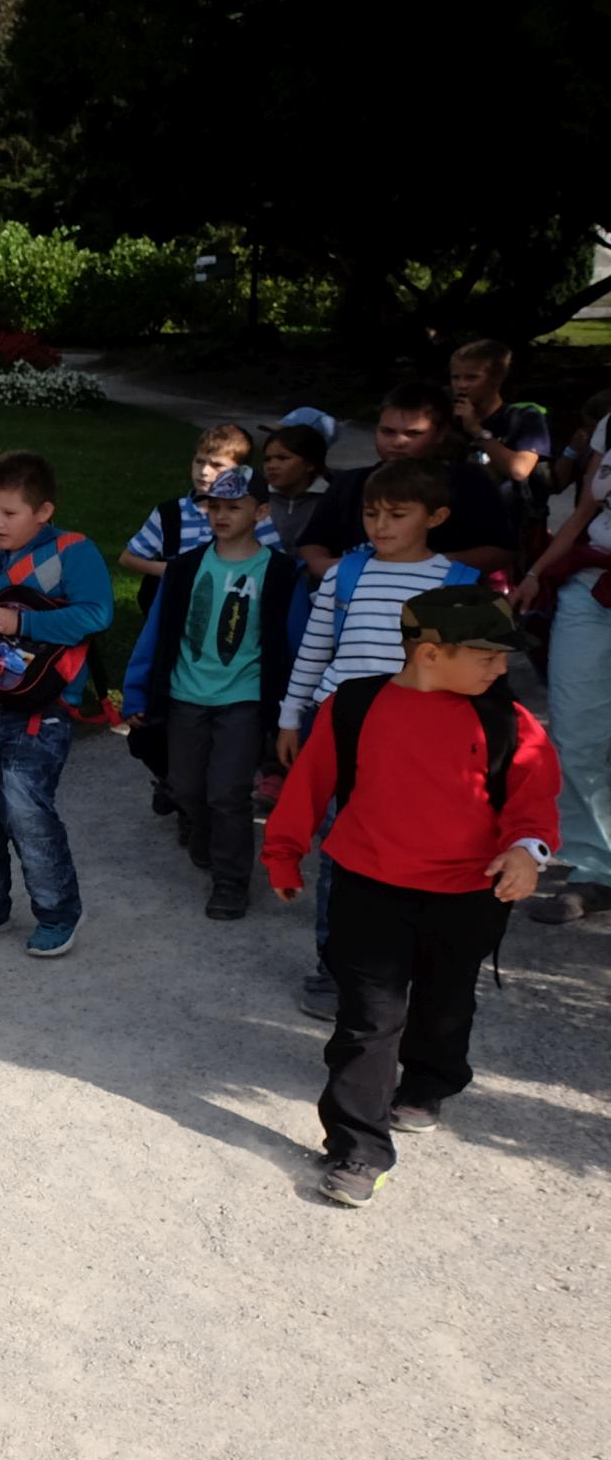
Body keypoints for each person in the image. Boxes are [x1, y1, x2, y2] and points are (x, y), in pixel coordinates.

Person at [262, 590, 556, 1207]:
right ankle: (358, 1149)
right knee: (368, 1018)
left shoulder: (506, 719)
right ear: (429, 653)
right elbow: (310, 782)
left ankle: (429, 1081)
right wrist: (282, 852)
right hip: (368, 889)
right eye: (487, 656)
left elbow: (533, 798)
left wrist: (527, 852)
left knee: (446, 1000)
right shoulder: (356, 705)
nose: (502, 668)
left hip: (469, 895)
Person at [278, 460, 485, 1017]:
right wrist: (290, 717)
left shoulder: (457, 584)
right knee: (340, 849)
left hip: (418, 742)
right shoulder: (344, 575)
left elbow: (471, 672)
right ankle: (334, 968)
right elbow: (314, 651)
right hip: (342, 729)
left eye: (397, 515)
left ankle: (397, 963)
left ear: (435, 517)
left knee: (408, 847)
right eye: (372, 514)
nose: (381, 526)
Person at [0, 449, 114, 957]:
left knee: (25, 806)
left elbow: (97, 614)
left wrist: (23, 622)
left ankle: (57, 912)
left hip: (43, 710)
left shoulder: (73, 552)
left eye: (10, 512)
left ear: (44, 511)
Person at [123, 466, 302, 918]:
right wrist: (137, 691)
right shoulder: (184, 568)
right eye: (214, 507)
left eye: (234, 507)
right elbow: (156, 633)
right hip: (186, 694)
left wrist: (295, 707)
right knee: (186, 786)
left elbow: (297, 641)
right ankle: (204, 833)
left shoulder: (282, 573)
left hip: (244, 699)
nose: (221, 515)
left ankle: (230, 881)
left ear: (261, 512)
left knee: (228, 792)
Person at [517, 410, 611, 923]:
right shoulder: (609, 425)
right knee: (576, 734)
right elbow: (583, 512)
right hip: (592, 587)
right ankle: (594, 867)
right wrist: (537, 572)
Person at [294, 385, 516, 577]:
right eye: (388, 432)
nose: (398, 442)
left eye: (413, 434)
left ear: (441, 434)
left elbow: (500, 550)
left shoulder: (469, 483)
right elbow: (313, 542)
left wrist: (418, 566)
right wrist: (329, 568)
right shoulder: (349, 482)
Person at [119, 423, 278, 625]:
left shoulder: (252, 516)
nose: (203, 471)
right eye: (199, 461)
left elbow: (276, 565)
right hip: (174, 612)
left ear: (240, 472)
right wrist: (173, 571)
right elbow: (128, 558)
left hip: (233, 613)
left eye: (217, 465)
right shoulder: (169, 514)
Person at [450, 338, 550, 495]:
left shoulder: (524, 417)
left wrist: (476, 430)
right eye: (456, 377)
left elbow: (519, 470)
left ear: (497, 379)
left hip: (510, 508)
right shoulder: (449, 419)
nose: (461, 385)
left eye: (472, 378)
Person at [258, 423, 335, 553]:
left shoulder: (332, 499)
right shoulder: (256, 498)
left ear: (310, 464)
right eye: (267, 459)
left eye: (283, 458)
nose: (272, 466)